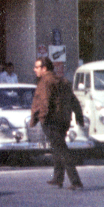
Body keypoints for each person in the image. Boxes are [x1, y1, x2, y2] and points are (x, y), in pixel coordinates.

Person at [30, 57, 84, 190]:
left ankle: (75, 181)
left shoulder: (45, 81)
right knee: (57, 148)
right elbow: (73, 100)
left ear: (44, 68)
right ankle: (58, 177)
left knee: (61, 149)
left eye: (37, 67)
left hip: (51, 120)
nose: (34, 70)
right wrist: (79, 116)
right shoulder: (63, 81)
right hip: (63, 119)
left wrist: (41, 117)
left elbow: (44, 101)